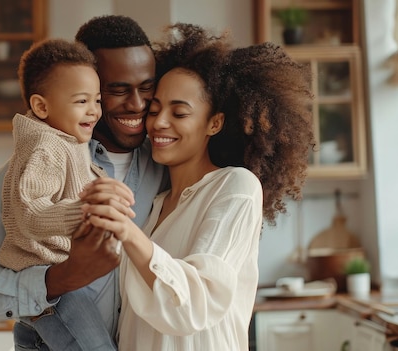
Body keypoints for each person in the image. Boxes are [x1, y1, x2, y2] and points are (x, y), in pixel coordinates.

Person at [79, 23, 315, 350]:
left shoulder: (236, 187)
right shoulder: (155, 206)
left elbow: (194, 302)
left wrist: (127, 233)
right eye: (156, 109)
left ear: (214, 123)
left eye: (179, 113)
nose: (159, 123)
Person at [0, 15, 166, 350]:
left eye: (146, 87)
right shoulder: (26, 169)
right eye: (116, 90)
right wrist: (56, 281)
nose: (136, 104)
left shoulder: (166, 165)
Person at [0, 38, 138, 350]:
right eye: (81, 101)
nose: (94, 112)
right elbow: (30, 215)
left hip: (50, 289)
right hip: (52, 287)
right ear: (41, 106)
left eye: (97, 100)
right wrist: (89, 208)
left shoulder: (67, 141)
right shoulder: (46, 147)